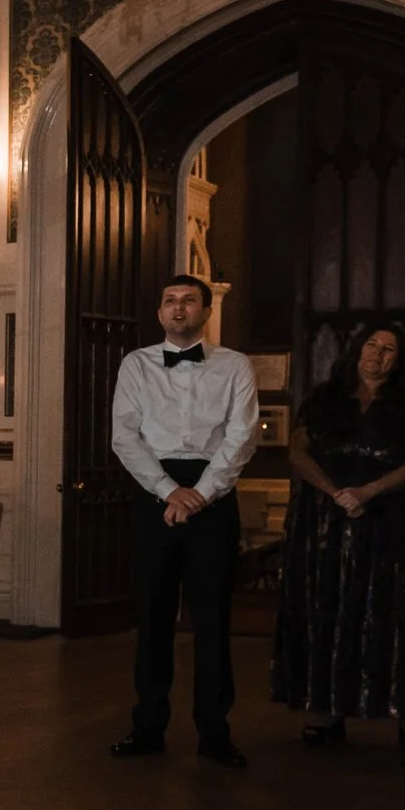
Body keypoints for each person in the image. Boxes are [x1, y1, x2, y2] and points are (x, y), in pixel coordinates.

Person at [108, 274, 259, 769]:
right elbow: (124, 437)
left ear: (206, 311)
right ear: (159, 312)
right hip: (156, 490)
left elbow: (242, 437)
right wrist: (169, 491)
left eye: (189, 300)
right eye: (170, 300)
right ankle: (147, 726)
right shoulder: (135, 364)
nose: (178, 308)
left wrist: (201, 494)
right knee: (152, 615)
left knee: (212, 619)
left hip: (213, 493)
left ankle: (214, 733)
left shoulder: (234, 365)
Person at [271, 323, 405, 748]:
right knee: (326, 606)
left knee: (388, 612)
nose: (378, 354)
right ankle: (326, 708)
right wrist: (334, 492)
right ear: (357, 349)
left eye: (389, 349)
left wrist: (367, 492)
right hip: (324, 517)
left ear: (399, 360)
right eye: (372, 345)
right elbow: (298, 452)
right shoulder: (323, 398)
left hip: (383, 516)